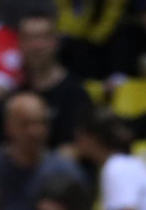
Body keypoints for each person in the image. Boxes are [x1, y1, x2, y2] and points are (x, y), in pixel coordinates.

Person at [0, 92, 87, 210]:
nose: (35, 131)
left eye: (41, 123)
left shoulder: (67, 171)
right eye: (26, 124)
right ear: (8, 127)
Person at [17, 8, 94, 149]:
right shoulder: (16, 93)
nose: (35, 46)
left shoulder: (75, 94)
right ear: (20, 43)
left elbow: (81, 149)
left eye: (42, 37)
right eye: (28, 38)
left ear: (55, 42)